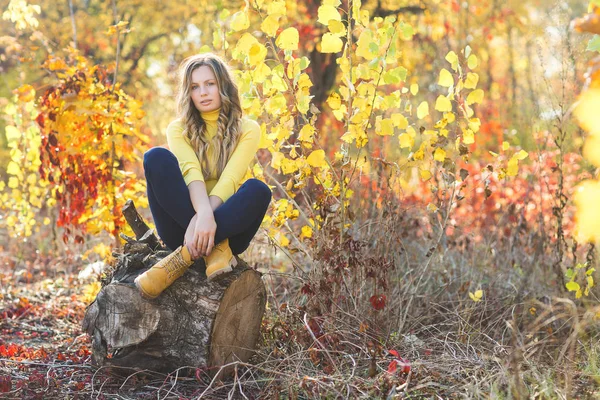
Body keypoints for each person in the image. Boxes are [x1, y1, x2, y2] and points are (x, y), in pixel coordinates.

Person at [134, 53, 271, 299]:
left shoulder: (248, 129)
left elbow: (230, 178)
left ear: (223, 86)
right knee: (156, 157)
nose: (203, 93)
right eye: (195, 87)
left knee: (258, 190)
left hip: (230, 229)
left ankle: (183, 258)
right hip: (181, 228)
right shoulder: (178, 129)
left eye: (210, 84)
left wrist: (209, 220)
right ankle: (216, 250)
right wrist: (202, 216)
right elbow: (191, 173)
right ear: (189, 93)